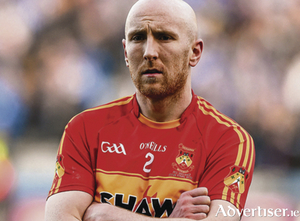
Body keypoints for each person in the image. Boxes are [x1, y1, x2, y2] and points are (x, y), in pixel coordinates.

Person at [45, 0, 255, 220]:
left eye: (164, 37)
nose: (149, 52)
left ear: (195, 52)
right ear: (126, 52)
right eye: (138, 38)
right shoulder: (85, 128)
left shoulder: (229, 140)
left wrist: (106, 214)